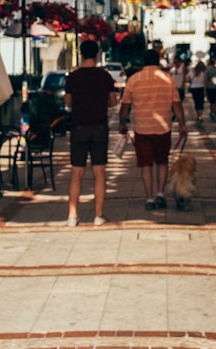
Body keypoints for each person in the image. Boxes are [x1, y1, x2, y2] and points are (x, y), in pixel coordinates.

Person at [119, 49, 188, 210]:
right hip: (163, 128)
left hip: (142, 129)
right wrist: (182, 124)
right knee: (162, 161)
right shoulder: (168, 79)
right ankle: (160, 194)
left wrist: (122, 123)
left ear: (143, 62)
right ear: (158, 61)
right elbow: (176, 104)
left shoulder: (133, 80)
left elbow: (125, 106)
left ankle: (149, 198)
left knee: (146, 165)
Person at [64, 40, 119, 227]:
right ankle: (98, 215)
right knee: (99, 172)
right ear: (97, 54)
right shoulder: (105, 76)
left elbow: (68, 102)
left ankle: (72, 215)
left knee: (76, 172)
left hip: (78, 127)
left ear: (81, 54)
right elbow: (113, 102)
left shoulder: (73, 77)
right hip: (99, 127)